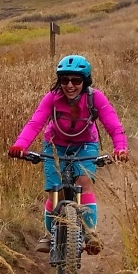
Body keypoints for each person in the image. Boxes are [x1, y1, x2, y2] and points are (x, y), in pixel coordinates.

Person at [8, 54, 129, 254]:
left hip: (86, 145)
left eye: (76, 80)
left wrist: (120, 147)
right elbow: (35, 122)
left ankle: (90, 233)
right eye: (65, 80)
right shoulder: (52, 98)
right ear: (59, 81)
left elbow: (113, 125)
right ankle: (49, 235)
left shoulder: (94, 97)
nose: (70, 85)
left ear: (85, 81)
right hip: (55, 145)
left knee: (84, 183)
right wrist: (20, 145)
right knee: (55, 190)